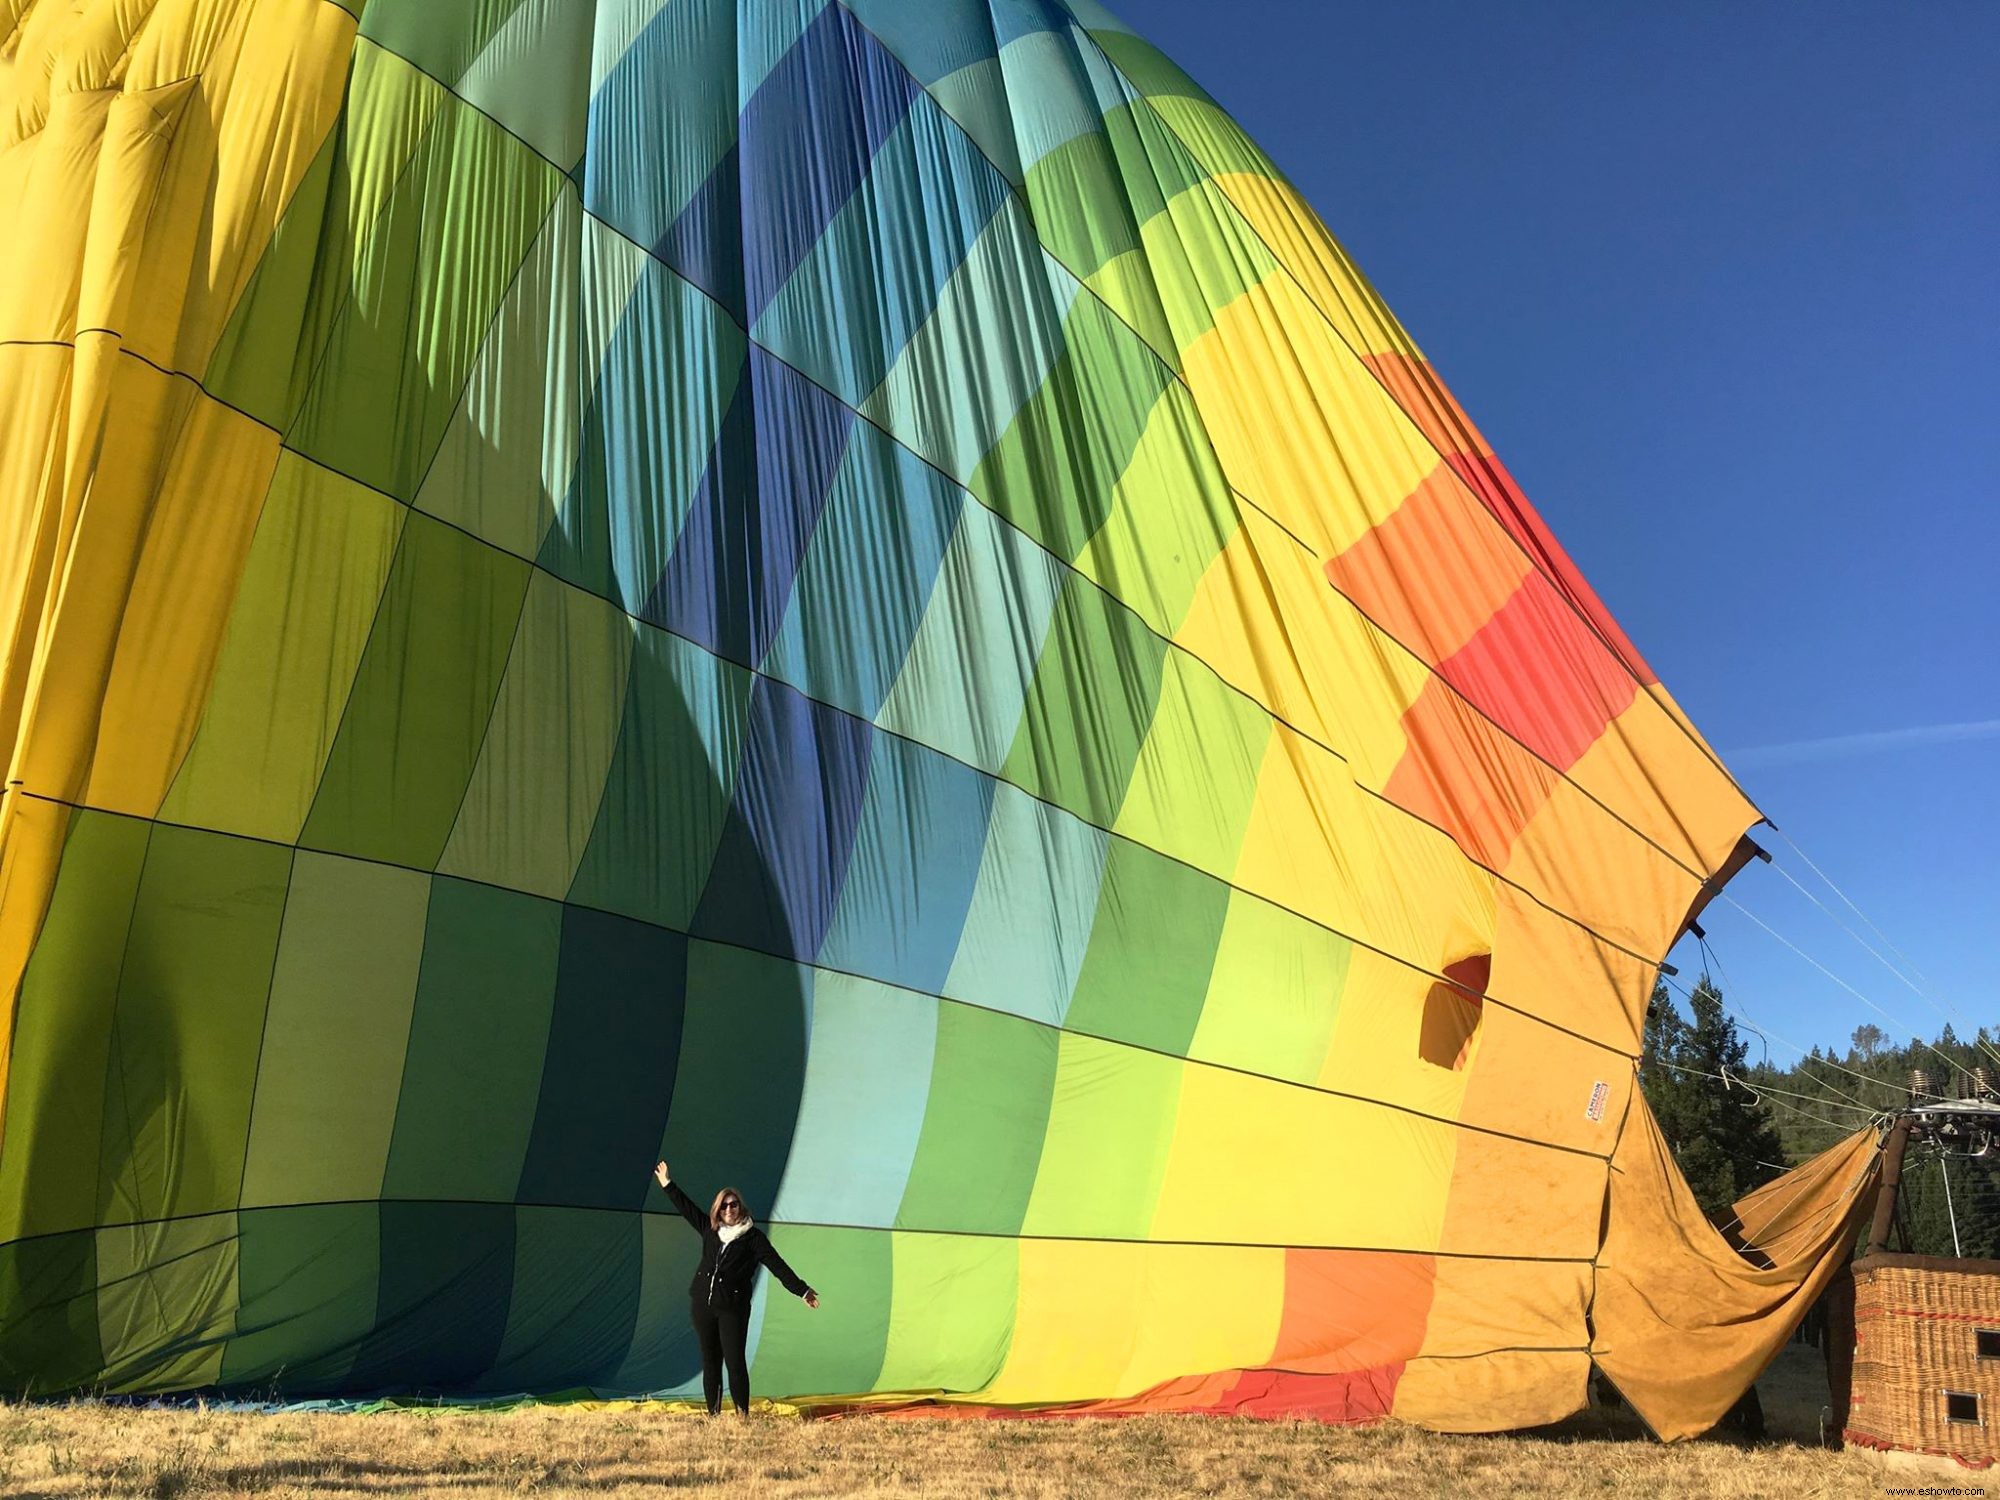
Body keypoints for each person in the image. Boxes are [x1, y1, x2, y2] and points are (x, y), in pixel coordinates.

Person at [651, 1160, 818, 1416]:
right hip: (703, 1306)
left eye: (734, 1204)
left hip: (733, 1309)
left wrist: (802, 1290)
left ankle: (742, 1416)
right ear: (718, 1209)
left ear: (741, 1207)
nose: (729, 1209)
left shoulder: (753, 1238)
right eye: (725, 1205)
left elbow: (778, 1266)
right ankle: (713, 1415)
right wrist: (667, 1184)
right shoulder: (711, 1230)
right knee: (711, 1362)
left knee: (735, 1362)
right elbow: (687, 1209)